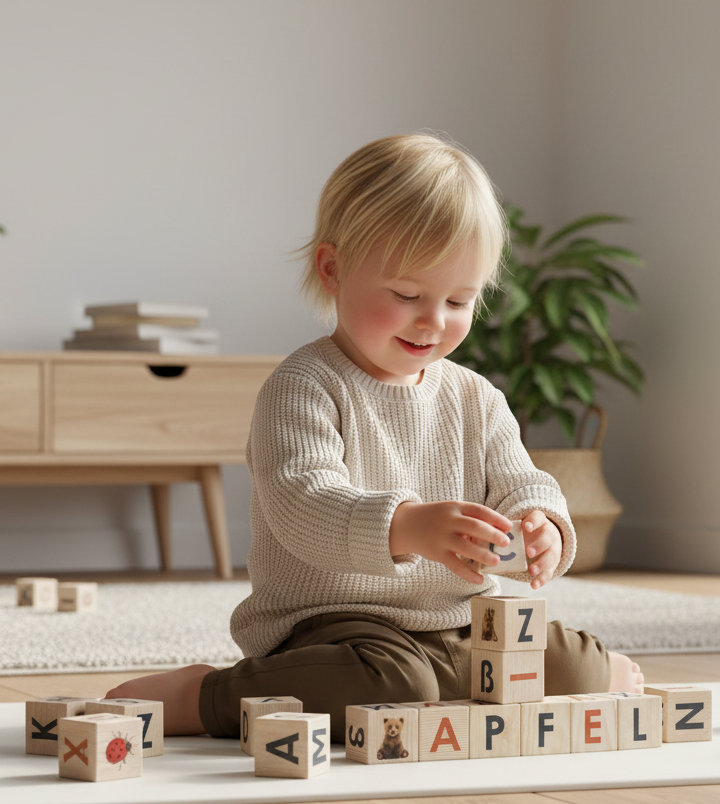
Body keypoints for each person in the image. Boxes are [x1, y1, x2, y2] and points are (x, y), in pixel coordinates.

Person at [106, 133, 643, 741]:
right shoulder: (303, 385)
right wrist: (408, 526)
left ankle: (528, 673)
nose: (433, 320)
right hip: (337, 627)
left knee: (576, 667)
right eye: (408, 295)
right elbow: (303, 504)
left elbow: (523, 482)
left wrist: (541, 526)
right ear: (333, 270)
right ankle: (207, 694)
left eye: (459, 301)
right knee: (395, 686)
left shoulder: (477, 397)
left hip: (462, 623)